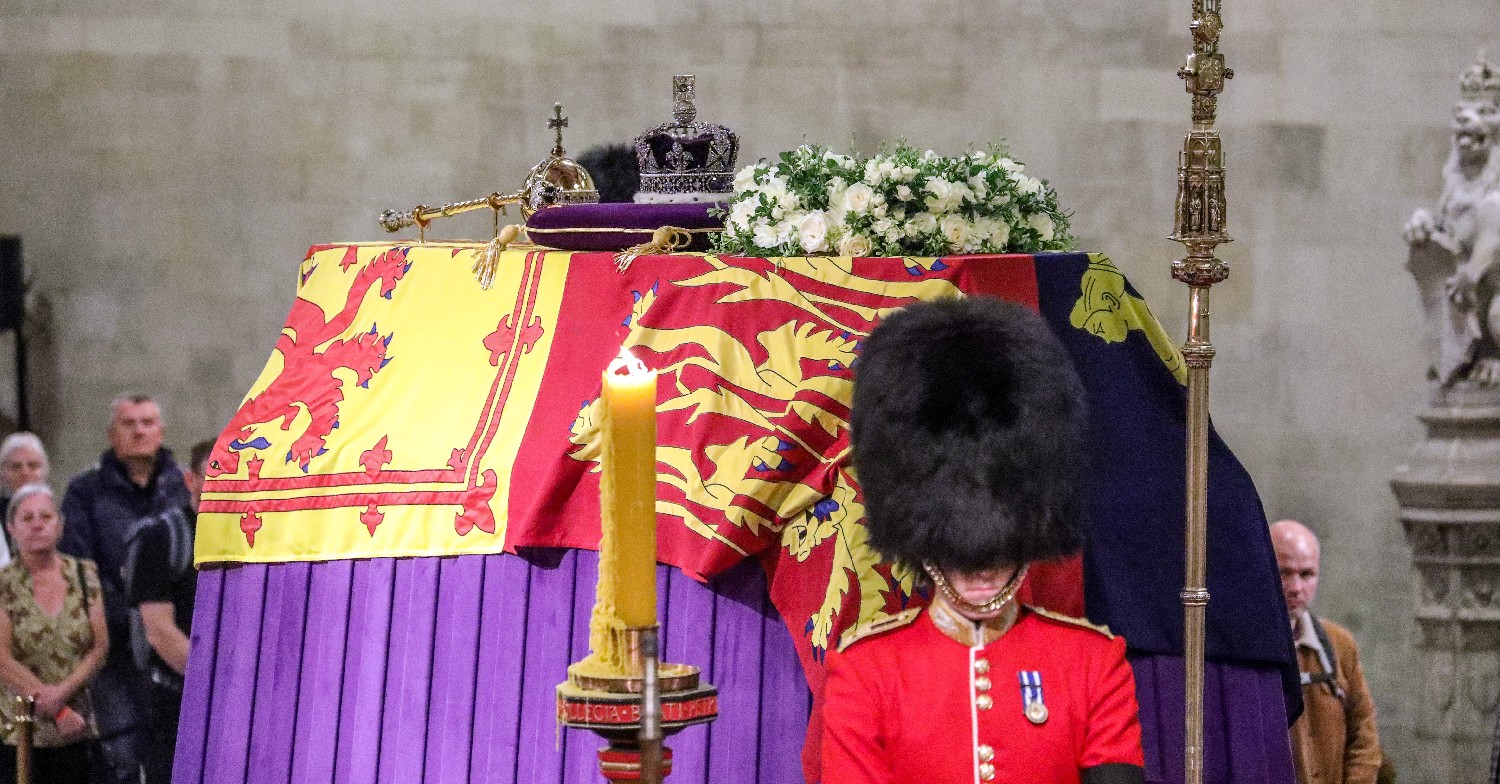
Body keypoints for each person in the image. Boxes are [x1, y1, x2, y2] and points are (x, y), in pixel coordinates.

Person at [821, 296, 1145, 784]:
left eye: (1001, 549)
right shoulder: (867, 670)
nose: (982, 568)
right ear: (925, 542)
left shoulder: (1093, 662)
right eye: (958, 553)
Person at [59, 394, 191, 784]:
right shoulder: (86, 489)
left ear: (161, 431)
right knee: (124, 754)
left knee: (176, 750)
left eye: (147, 423)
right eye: (129, 424)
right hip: (114, 644)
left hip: (174, 641)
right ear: (111, 434)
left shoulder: (183, 486)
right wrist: (132, 614)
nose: (139, 431)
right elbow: (80, 567)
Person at [0, 484, 108, 784]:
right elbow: (2, 658)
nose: (37, 524)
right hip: (19, 733)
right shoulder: (4, 584)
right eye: (28, 518)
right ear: (11, 527)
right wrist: (57, 710)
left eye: (46, 516)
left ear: (59, 525)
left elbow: (99, 646)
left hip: (78, 727)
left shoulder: (84, 574)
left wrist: (62, 694)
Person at [122, 438, 210, 784]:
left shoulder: (257, 539)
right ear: (191, 481)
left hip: (239, 703)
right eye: (215, 476)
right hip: (177, 703)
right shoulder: (162, 538)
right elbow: (158, 630)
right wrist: (215, 681)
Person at [1270, 519, 1382, 784]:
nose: (1296, 587)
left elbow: (1364, 741)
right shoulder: (1240, 650)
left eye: (1306, 574)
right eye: (1284, 573)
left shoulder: (1339, 645)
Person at [0, 433, 49, 568]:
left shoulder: (57, 514)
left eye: (33, 466)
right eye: (16, 467)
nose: (25, 473)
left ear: (45, 472)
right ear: (2, 475)